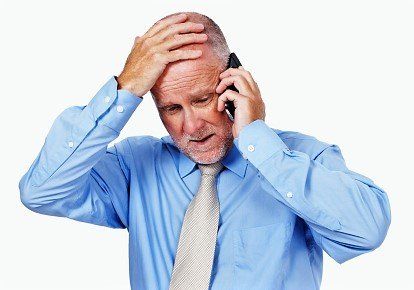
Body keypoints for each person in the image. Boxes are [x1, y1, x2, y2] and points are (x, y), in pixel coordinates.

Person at [18, 11, 391, 290]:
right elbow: (41, 190)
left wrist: (259, 141)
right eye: (171, 108)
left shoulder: (298, 158)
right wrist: (124, 89)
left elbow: (366, 231)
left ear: (235, 82)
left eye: (201, 99)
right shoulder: (135, 166)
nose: (191, 128)